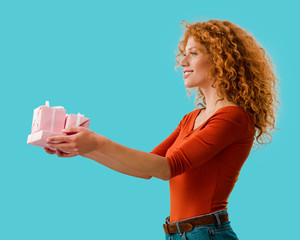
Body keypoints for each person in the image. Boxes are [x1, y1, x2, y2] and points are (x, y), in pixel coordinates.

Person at [44, 19, 279, 240]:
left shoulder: (233, 117)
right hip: (178, 233)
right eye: (183, 54)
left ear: (220, 59)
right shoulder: (191, 118)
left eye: (193, 54)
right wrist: (83, 149)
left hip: (206, 233)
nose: (183, 62)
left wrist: (97, 143)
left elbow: (168, 167)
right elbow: (147, 167)